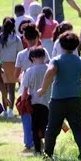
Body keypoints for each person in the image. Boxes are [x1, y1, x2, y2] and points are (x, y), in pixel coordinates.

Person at [38, 31, 81, 161]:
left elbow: (50, 71)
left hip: (58, 99)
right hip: (75, 98)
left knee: (52, 128)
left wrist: (43, 88)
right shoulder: (80, 61)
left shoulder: (57, 60)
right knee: (78, 127)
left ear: (61, 45)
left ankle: (48, 154)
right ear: (76, 45)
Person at [14, 24, 51, 152]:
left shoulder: (21, 55)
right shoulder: (44, 52)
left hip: (27, 89)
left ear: (24, 38)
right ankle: (43, 143)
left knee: (27, 119)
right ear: (37, 37)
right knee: (44, 120)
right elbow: (50, 69)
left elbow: (16, 75)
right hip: (45, 90)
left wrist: (24, 79)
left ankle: (29, 143)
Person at [20, 47, 51, 155]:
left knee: (35, 127)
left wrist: (23, 101)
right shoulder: (50, 69)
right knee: (47, 126)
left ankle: (37, 150)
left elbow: (25, 90)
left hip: (35, 103)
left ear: (32, 58)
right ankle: (48, 149)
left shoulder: (29, 71)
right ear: (44, 56)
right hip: (49, 102)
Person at [0, 17, 23, 119]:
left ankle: (4, 110)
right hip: (13, 64)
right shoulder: (17, 39)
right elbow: (20, 51)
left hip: (1, 65)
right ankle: (10, 111)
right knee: (12, 90)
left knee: (3, 89)